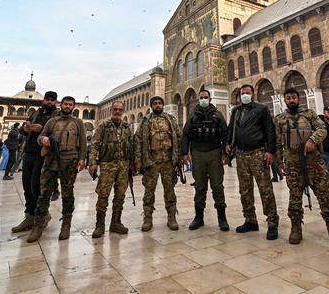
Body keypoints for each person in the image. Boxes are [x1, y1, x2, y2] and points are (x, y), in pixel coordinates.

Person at [275, 89, 329, 246]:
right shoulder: (280, 119)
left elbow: (322, 129)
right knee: (294, 196)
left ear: (299, 99)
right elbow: (278, 142)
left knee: (323, 195)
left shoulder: (310, 114)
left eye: (294, 97)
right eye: (288, 98)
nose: (291, 100)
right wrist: (280, 162)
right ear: (285, 100)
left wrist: (312, 140)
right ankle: (295, 228)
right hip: (293, 164)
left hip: (313, 161)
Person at [28, 96, 86, 242]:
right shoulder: (52, 122)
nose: (67, 106)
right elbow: (40, 137)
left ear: (73, 107)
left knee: (68, 193)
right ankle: (38, 226)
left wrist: (82, 159)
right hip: (51, 161)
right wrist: (43, 140)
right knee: (44, 193)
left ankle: (66, 225)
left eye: (70, 104)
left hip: (70, 162)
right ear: (61, 105)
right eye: (65, 104)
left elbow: (84, 143)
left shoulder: (78, 122)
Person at [226, 83, 279, 240]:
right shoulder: (236, 111)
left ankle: (272, 223)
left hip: (258, 153)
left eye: (247, 93)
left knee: (265, 189)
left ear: (253, 94)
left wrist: (270, 151)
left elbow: (270, 130)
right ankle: (250, 220)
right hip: (241, 155)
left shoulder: (261, 109)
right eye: (243, 93)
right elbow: (231, 129)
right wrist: (229, 144)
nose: (245, 95)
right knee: (245, 190)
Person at [181, 90, 229, 231]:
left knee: (217, 186)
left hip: (214, 153)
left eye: (205, 97)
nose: (203, 99)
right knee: (200, 187)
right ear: (198, 99)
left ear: (210, 98)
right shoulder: (192, 116)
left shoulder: (217, 115)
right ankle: (199, 217)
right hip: (198, 154)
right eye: (201, 97)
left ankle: (222, 218)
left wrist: (226, 153)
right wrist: (184, 153)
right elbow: (185, 135)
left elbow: (225, 134)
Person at [11, 91, 58, 233]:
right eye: (47, 99)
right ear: (43, 100)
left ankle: (41, 215)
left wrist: (41, 129)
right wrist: (25, 129)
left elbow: (59, 133)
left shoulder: (57, 116)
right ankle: (29, 216)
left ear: (55, 102)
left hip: (43, 154)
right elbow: (23, 129)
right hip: (29, 152)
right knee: (26, 185)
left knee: (36, 186)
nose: (49, 102)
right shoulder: (35, 114)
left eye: (52, 100)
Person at [135, 96, 181, 231]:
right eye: (155, 103)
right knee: (149, 191)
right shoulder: (145, 121)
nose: (157, 105)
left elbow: (178, 137)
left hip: (168, 161)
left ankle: (171, 218)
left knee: (170, 191)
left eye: (160, 103)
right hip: (151, 162)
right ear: (151, 106)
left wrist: (179, 157)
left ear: (163, 105)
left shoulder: (170, 119)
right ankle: (147, 219)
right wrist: (138, 159)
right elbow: (138, 140)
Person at [88, 101, 133, 238]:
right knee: (103, 195)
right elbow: (95, 144)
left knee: (120, 195)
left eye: (120, 109)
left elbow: (132, 145)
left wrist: (134, 162)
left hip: (123, 166)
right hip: (107, 165)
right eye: (115, 109)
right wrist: (92, 163)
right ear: (111, 111)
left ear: (123, 111)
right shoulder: (104, 126)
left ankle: (115, 223)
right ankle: (99, 225)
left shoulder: (126, 127)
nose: (118, 111)